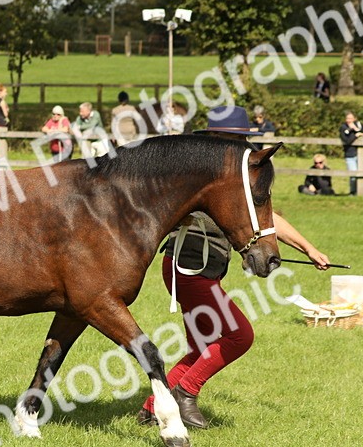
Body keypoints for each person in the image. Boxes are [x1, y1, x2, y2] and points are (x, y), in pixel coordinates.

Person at [137, 104, 331, 429]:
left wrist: (309, 248)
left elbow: (267, 217)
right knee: (239, 336)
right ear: (216, 137)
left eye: (243, 139)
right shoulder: (200, 173)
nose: (241, 146)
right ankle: (186, 392)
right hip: (190, 270)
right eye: (235, 138)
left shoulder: (233, 175)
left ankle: (153, 405)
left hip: (196, 271)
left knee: (200, 348)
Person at [339, 111, 363, 196]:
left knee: (362, 173)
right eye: (347, 118)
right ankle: (353, 191)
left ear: (354, 119)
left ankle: (361, 192)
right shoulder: (343, 128)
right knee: (353, 174)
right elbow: (346, 141)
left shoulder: (358, 125)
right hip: (350, 154)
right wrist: (356, 135)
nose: (349, 120)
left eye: (351, 118)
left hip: (360, 155)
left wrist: (357, 130)